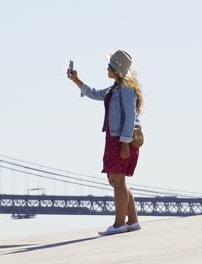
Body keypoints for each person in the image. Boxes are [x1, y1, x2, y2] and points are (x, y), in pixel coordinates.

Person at [67, 50, 143, 235]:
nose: (106, 68)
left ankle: (119, 224)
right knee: (116, 180)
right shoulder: (115, 88)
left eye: (109, 66)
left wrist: (125, 142)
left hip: (121, 139)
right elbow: (94, 94)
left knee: (118, 180)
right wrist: (76, 80)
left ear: (116, 69)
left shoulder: (126, 89)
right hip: (113, 137)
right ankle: (132, 221)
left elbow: (131, 117)